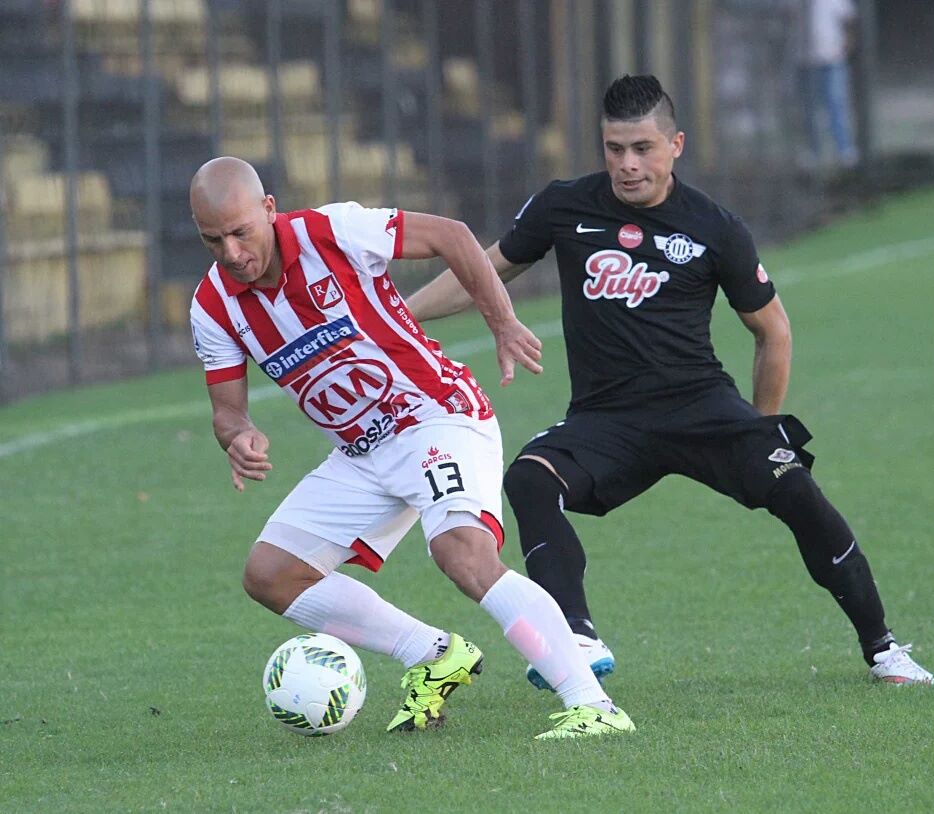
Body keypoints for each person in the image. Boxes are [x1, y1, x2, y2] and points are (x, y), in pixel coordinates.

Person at [406, 75, 934, 689]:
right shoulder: (565, 205)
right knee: (529, 478)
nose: (627, 165)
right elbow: (485, 266)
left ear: (676, 144)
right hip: (607, 420)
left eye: (643, 149)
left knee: (797, 492)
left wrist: (765, 431)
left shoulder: (715, 226)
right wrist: (398, 314)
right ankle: (574, 635)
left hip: (702, 408)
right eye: (614, 149)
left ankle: (884, 649)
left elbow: (774, 332)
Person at [187, 156, 634, 739]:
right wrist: (238, 436)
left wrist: (501, 320)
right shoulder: (213, 305)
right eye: (211, 239)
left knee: (463, 554)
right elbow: (227, 412)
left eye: (240, 231)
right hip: (361, 453)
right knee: (271, 575)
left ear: (269, 209)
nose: (230, 252)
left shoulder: (333, 232)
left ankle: (591, 704)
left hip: (435, 417)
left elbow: (452, 236)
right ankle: (433, 655)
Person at [796, 0, 859, 167]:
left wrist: (848, 43)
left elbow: (848, 20)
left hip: (831, 58)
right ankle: (814, 150)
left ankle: (843, 149)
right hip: (806, 60)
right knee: (810, 109)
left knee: (836, 103)